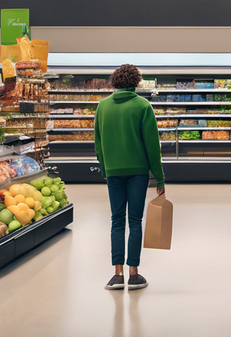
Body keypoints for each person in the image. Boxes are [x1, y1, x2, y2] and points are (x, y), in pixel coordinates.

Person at [94, 64, 165, 290]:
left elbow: (97, 144)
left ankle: (117, 275)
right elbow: (153, 147)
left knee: (116, 220)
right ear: (136, 82)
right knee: (135, 221)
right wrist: (160, 179)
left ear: (114, 82)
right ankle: (134, 274)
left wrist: (106, 169)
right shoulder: (143, 106)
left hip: (114, 171)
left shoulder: (102, 107)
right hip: (138, 172)